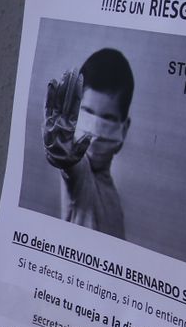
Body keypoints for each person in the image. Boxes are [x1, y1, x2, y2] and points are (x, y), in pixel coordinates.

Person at [43, 48, 134, 239]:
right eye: (87, 113)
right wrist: (63, 155)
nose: (94, 133)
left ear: (123, 130)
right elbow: (72, 165)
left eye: (107, 120)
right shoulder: (82, 177)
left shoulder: (111, 195)